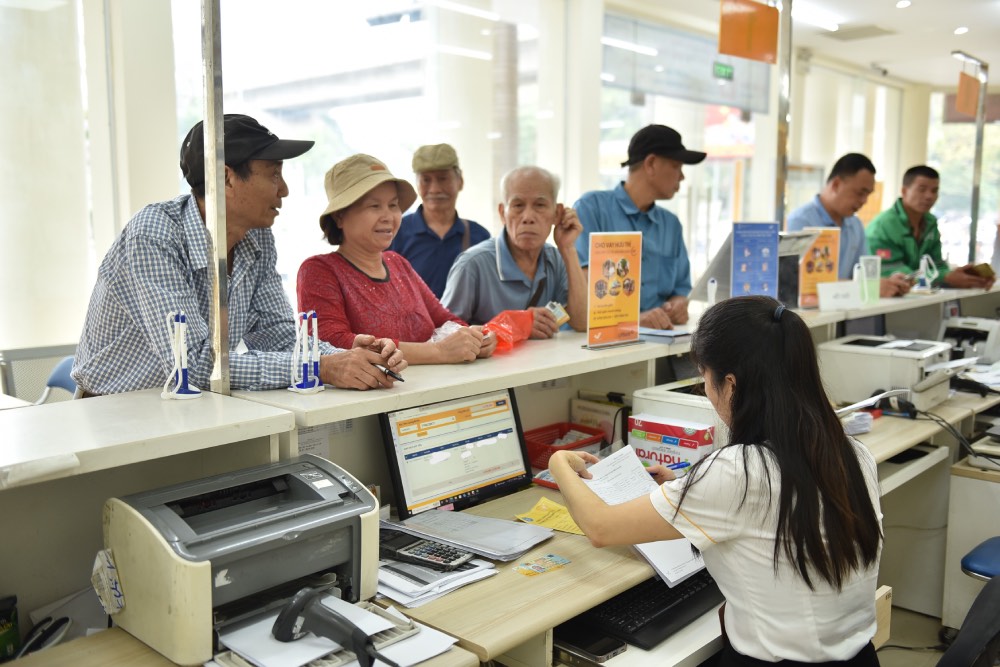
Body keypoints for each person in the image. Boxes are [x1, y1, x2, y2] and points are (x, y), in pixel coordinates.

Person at [550, 295, 883, 666]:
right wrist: (686, 489)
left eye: (705, 379)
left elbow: (600, 528)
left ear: (731, 384)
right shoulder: (853, 453)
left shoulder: (739, 471)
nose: (706, 392)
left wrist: (558, 464)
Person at [72, 114, 405, 395]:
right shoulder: (155, 235)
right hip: (116, 410)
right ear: (226, 178)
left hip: (192, 406)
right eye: (274, 174)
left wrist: (348, 355)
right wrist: (321, 366)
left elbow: (278, 333)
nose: (284, 189)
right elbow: (192, 365)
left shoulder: (256, 236)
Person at [298, 154, 497, 364]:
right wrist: (438, 352)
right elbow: (331, 344)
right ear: (339, 216)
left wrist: (475, 337)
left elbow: (445, 320)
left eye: (393, 205)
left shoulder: (397, 262)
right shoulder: (319, 270)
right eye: (374, 206)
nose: (388, 217)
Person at [574, 124, 705, 330]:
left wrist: (679, 304)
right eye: (676, 166)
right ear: (651, 164)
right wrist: (633, 320)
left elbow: (681, 289)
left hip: (661, 340)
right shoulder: (591, 209)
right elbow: (583, 288)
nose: (682, 176)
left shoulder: (671, 225)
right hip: (600, 340)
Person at [441, 165, 587, 339]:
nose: (528, 217)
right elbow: (443, 334)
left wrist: (568, 248)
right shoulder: (472, 265)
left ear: (557, 213)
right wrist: (515, 326)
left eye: (540, 205)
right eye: (518, 205)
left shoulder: (555, 258)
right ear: (502, 213)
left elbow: (582, 322)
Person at [787, 153, 911, 298]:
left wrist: (889, 283)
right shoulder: (801, 222)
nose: (864, 201)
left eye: (868, 195)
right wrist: (867, 287)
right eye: (860, 193)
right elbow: (801, 284)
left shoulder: (855, 225)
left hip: (848, 307)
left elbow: (863, 275)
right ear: (836, 184)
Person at [866, 165, 995, 289]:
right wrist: (945, 277)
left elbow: (936, 264)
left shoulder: (930, 222)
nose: (929, 196)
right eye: (922, 190)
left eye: (934, 191)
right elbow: (891, 272)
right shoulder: (883, 226)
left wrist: (961, 276)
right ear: (904, 191)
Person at [388, 144, 490, 298]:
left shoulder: (479, 236)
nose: (435, 189)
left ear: (460, 181)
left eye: (443, 179)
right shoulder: (395, 233)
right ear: (417, 184)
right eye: (426, 180)